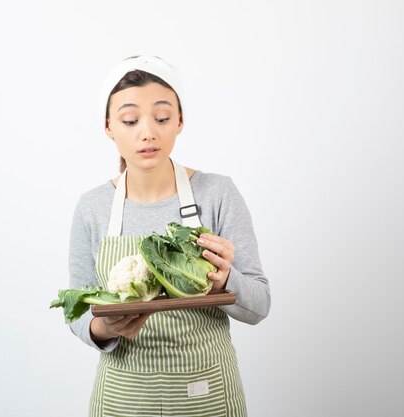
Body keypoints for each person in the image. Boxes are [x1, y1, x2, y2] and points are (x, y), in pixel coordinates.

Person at [67, 55, 271, 417]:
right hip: (123, 398)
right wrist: (104, 326)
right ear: (108, 126)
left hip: (206, 393)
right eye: (130, 120)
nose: (148, 132)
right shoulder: (92, 207)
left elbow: (259, 305)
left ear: (179, 121)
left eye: (161, 118)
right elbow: (78, 314)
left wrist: (225, 280)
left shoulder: (217, 193)